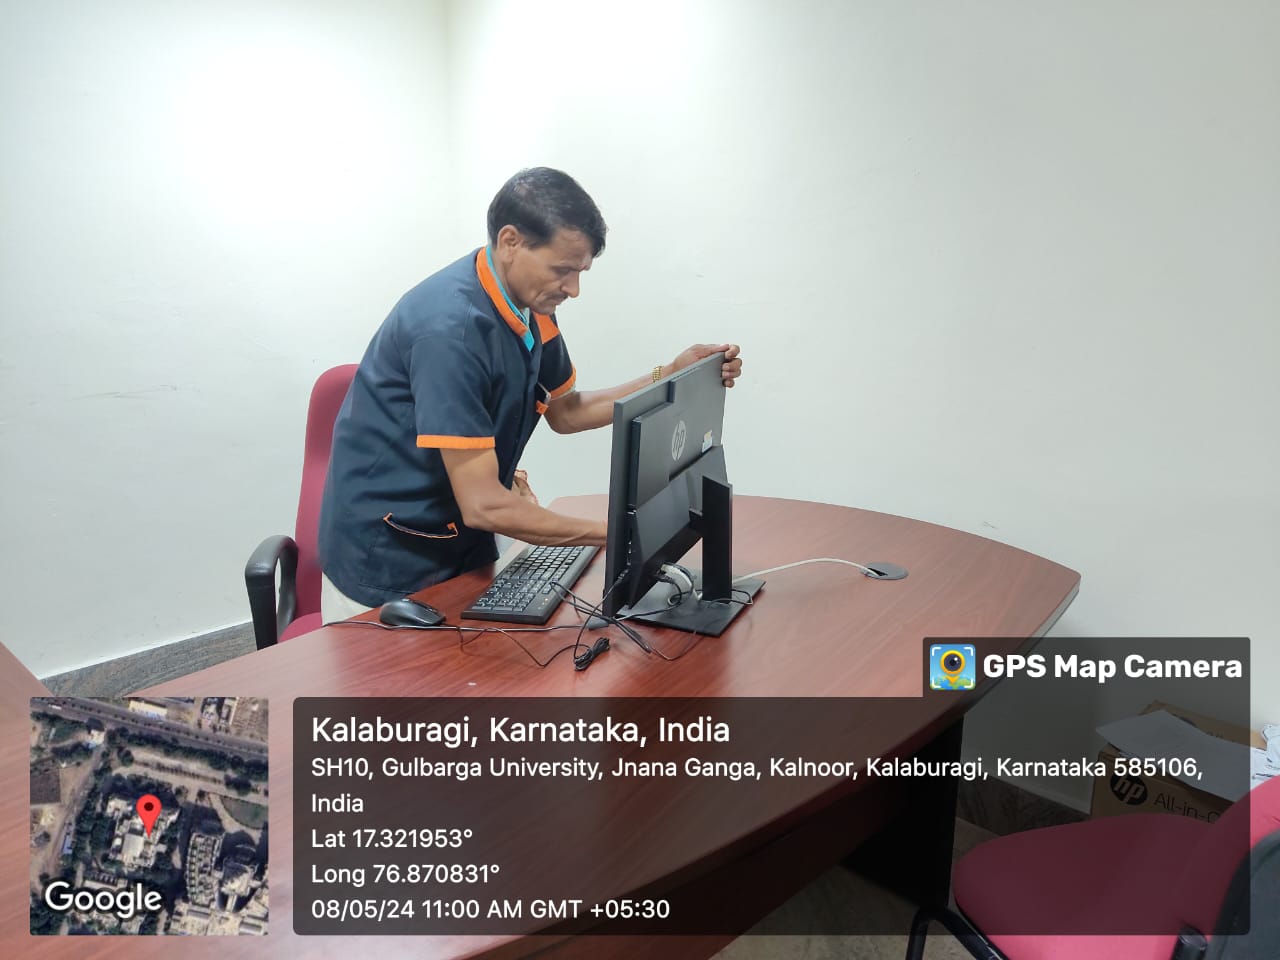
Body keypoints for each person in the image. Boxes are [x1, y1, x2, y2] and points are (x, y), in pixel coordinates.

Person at [317, 167, 742, 620]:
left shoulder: (528, 303)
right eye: (563, 270)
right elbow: (484, 504)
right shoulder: (450, 334)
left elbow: (567, 411)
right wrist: (616, 534)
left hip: (463, 534)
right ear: (510, 241)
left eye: (580, 272)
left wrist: (668, 374)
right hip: (389, 561)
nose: (573, 289)